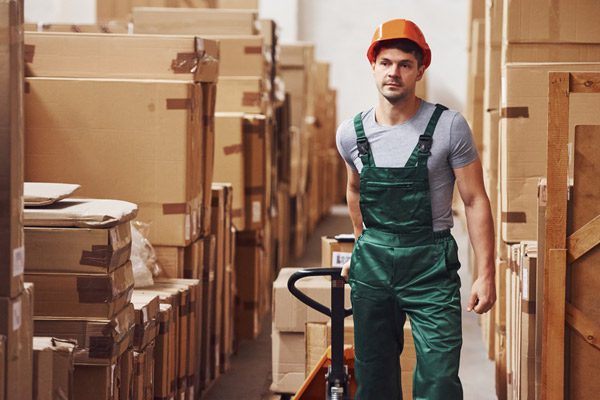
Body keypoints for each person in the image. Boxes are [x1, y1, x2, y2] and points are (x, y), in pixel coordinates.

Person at [336, 19, 496, 400]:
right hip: (373, 267)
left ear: (420, 70)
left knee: (439, 381)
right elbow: (354, 190)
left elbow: (475, 200)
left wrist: (486, 274)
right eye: (386, 62)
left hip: (431, 267)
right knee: (373, 381)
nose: (394, 72)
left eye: (405, 64)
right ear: (373, 66)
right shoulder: (350, 132)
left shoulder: (449, 126)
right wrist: (361, 247)